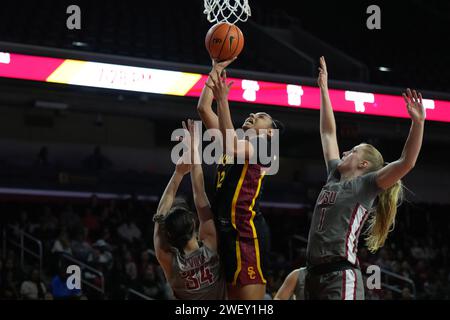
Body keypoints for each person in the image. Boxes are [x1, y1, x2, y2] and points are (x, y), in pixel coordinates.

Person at [304, 57, 426, 300]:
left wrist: (418, 123)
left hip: (340, 276)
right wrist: (324, 89)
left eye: (353, 150)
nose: (345, 152)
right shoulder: (334, 175)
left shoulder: (367, 186)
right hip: (314, 275)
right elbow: (328, 133)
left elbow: (407, 162)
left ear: (364, 164)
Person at [200, 59, 284, 300]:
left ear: (270, 132)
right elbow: (204, 109)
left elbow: (231, 144)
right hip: (224, 232)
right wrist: (215, 68)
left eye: (260, 115)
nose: (252, 114)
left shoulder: (266, 145)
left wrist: (223, 100)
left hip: (246, 232)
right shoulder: (237, 142)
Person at [153, 120, 226, 300]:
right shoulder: (211, 246)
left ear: (168, 235)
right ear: (193, 223)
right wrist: (194, 151)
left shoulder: (169, 262)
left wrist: (177, 173)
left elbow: (159, 215)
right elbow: (199, 194)